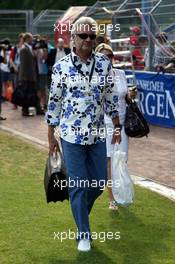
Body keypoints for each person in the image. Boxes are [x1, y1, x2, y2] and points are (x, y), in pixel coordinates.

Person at [46, 16, 121, 252]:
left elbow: (110, 96)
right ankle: (83, 234)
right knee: (78, 184)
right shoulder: (61, 67)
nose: (88, 40)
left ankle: (80, 213)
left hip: (98, 134)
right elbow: (54, 103)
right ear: (73, 38)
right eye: (83, 36)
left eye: (92, 36)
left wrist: (117, 125)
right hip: (70, 136)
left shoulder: (104, 64)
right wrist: (51, 137)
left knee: (98, 184)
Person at [95, 43, 136, 210]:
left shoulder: (120, 73)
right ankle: (112, 199)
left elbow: (124, 96)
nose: (108, 60)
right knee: (110, 160)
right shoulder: (97, 77)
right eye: (104, 57)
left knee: (123, 159)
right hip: (107, 123)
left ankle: (122, 193)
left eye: (110, 56)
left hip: (123, 123)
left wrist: (129, 95)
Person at [19, 32, 44, 116]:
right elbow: (23, 64)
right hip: (27, 76)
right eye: (31, 38)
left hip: (32, 75)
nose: (32, 40)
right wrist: (25, 76)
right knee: (26, 94)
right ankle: (25, 111)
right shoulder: (24, 49)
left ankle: (38, 109)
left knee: (34, 93)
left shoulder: (30, 47)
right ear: (27, 39)